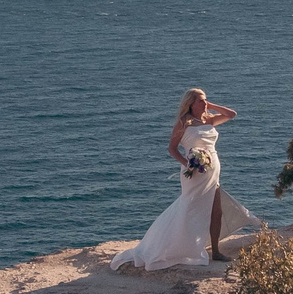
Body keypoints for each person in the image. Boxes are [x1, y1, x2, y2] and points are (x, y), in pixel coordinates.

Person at [109, 88, 263, 270]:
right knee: (190, 209)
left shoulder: (209, 119)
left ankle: (216, 250)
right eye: (200, 101)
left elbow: (231, 114)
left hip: (213, 170)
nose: (204, 104)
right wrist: (187, 163)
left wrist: (209, 105)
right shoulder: (183, 123)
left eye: (205, 100)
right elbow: (172, 148)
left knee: (216, 211)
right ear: (190, 103)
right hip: (194, 173)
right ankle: (175, 245)